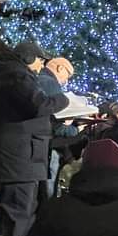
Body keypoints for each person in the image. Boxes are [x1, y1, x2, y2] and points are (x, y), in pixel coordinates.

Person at [0, 41, 69, 236]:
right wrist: (66, 100)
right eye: (40, 60)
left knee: (8, 208)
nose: (41, 66)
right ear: (29, 57)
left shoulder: (7, 75)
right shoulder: (17, 77)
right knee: (19, 209)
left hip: (15, 155)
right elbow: (38, 105)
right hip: (19, 157)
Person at [37, 57, 77, 200]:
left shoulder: (38, 79)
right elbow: (56, 120)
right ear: (60, 68)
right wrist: (71, 128)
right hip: (47, 142)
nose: (66, 81)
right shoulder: (49, 83)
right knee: (47, 187)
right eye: (68, 75)